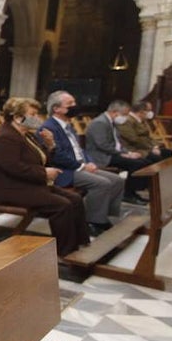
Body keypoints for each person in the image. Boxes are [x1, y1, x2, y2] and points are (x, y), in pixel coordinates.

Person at [0, 97, 90, 257]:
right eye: (32, 114)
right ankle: (66, 251)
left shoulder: (26, 134)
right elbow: (14, 168)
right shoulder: (4, 137)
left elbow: (40, 159)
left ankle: (80, 242)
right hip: (7, 189)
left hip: (25, 184)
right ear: (18, 117)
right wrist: (44, 173)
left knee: (75, 199)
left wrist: (50, 145)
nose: (37, 119)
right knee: (62, 205)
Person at [40, 90, 124, 235]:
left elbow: (80, 149)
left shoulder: (68, 125)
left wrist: (90, 162)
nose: (75, 106)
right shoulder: (48, 127)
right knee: (102, 183)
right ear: (56, 109)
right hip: (64, 171)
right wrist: (82, 166)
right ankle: (93, 222)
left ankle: (103, 215)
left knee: (117, 180)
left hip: (80, 166)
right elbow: (57, 156)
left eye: (74, 102)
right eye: (70, 104)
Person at [84, 100, 152, 205]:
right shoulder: (99, 123)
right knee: (136, 164)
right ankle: (128, 194)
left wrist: (129, 153)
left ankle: (132, 192)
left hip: (111, 153)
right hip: (102, 156)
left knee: (143, 161)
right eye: (124, 114)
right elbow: (102, 145)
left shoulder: (111, 122)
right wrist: (121, 154)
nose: (125, 117)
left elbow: (118, 143)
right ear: (115, 112)